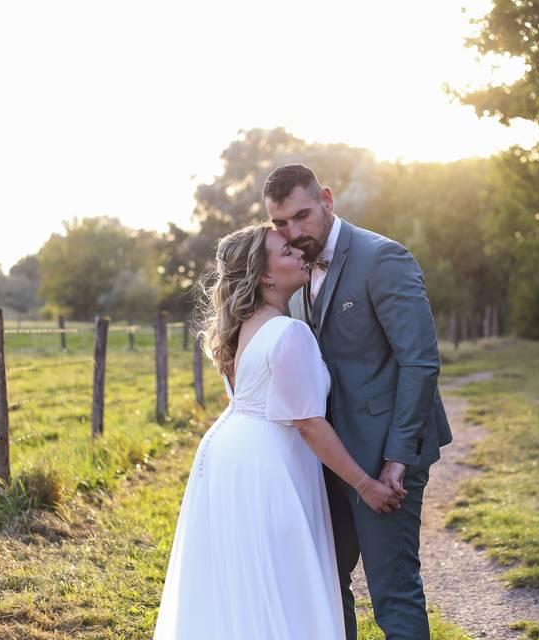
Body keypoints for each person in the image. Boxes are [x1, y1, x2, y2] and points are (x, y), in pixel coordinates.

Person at [153, 224, 402, 640]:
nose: (300, 253)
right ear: (265, 275)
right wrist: (365, 485)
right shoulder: (288, 332)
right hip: (269, 467)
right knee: (283, 580)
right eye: (286, 251)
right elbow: (308, 423)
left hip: (228, 455)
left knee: (245, 581)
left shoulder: (241, 325)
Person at [265, 164, 452, 640]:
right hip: (333, 457)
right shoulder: (300, 267)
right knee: (327, 582)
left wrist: (398, 458)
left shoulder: (382, 258)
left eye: (302, 216)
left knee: (393, 591)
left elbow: (420, 363)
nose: (293, 232)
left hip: (385, 456)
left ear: (326, 199)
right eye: (280, 224)